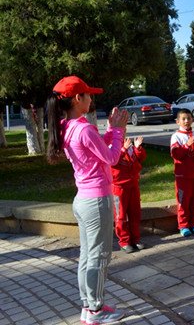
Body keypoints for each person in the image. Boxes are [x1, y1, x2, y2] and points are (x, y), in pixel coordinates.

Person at [46, 75, 127, 324]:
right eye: (88, 94)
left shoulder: (67, 126)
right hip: (96, 201)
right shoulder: (83, 128)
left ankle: (88, 306)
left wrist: (111, 131)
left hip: (83, 200)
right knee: (100, 257)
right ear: (77, 98)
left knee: (87, 256)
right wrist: (118, 130)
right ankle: (95, 310)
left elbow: (97, 149)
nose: (91, 98)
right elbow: (112, 158)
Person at [170, 108, 194, 237]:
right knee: (183, 202)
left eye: (189, 118)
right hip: (182, 176)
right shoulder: (176, 136)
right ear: (178, 121)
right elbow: (176, 154)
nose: (186, 121)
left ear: (192, 120)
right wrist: (186, 145)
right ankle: (183, 225)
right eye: (183, 119)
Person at [111, 136, 147, 254]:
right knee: (120, 216)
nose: (123, 131)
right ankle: (124, 241)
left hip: (133, 185)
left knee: (135, 213)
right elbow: (112, 162)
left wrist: (137, 148)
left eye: (124, 129)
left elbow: (140, 158)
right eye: (121, 129)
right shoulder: (111, 145)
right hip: (119, 188)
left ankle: (135, 239)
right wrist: (123, 150)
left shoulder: (129, 144)